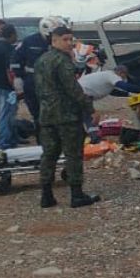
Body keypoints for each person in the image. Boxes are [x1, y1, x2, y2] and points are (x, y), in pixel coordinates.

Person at [34, 26, 100, 209]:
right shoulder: (62, 61)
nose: (70, 43)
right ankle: (77, 195)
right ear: (54, 41)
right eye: (65, 39)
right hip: (66, 116)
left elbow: (37, 89)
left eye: (71, 39)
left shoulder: (41, 60)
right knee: (73, 155)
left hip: (46, 115)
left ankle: (46, 195)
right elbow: (73, 89)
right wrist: (89, 109)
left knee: (49, 155)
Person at [12, 16, 60, 130]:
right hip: (33, 81)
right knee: (37, 113)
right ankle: (41, 139)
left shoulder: (59, 42)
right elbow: (15, 59)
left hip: (54, 82)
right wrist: (19, 77)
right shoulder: (29, 41)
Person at [78, 65, 140, 139]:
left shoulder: (106, 75)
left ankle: (84, 136)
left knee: (80, 117)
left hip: (78, 91)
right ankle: (94, 138)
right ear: (121, 73)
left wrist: (129, 94)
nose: (124, 78)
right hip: (84, 94)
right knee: (90, 117)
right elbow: (124, 86)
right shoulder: (112, 76)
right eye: (124, 76)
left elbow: (111, 91)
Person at [0, 24, 20, 152]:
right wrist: (14, 87)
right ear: (11, 35)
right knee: (7, 115)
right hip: (6, 87)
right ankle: (4, 142)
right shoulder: (9, 49)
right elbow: (9, 70)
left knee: (3, 113)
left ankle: (9, 139)